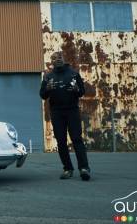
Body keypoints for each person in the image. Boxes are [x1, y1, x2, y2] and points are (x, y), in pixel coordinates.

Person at [40, 52, 91, 181]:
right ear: (51, 62)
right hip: (57, 113)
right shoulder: (48, 77)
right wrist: (47, 89)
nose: (57, 60)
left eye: (59, 58)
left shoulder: (73, 73)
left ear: (63, 59)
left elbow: (82, 92)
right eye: (54, 58)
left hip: (72, 111)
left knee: (76, 139)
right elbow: (42, 95)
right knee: (61, 142)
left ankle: (84, 168)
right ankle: (67, 168)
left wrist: (76, 90)